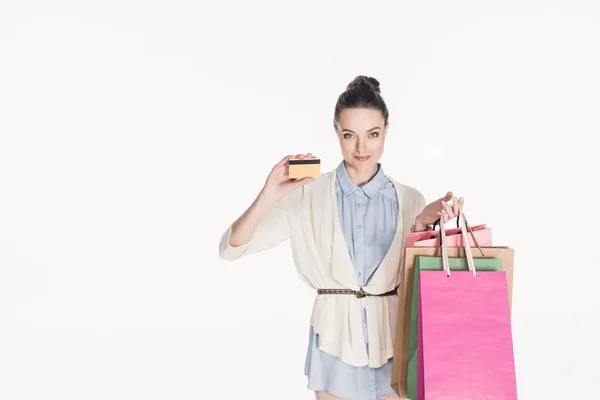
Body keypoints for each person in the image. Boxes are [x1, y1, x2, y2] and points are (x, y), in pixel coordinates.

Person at [218, 76, 464, 400]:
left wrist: (422, 225)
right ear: (336, 132)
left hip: (393, 338)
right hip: (333, 338)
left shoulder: (410, 199)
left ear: (386, 131)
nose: (361, 149)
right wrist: (268, 194)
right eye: (349, 135)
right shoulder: (307, 192)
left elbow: (416, 284)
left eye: (372, 134)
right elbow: (231, 249)